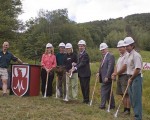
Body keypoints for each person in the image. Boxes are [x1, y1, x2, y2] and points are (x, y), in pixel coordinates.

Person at [123, 37, 143, 120]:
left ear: (132, 45)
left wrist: (131, 78)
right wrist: (129, 78)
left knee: (136, 98)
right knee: (132, 98)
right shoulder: (128, 55)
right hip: (130, 77)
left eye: (127, 46)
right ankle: (136, 114)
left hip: (136, 78)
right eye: (125, 46)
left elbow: (137, 69)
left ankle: (138, 117)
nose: (126, 48)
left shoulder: (136, 55)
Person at [111, 40, 130, 115]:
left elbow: (124, 67)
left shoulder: (127, 55)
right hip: (120, 76)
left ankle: (128, 110)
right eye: (119, 47)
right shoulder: (120, 56)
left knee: (126, 94)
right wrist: (114, 73)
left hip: (125, 76)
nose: (120, 49)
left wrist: (116, 74)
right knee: (122, 93)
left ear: (125, 47)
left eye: (121, 47)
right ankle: (125, 108)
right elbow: (116, 66)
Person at [72, 40, 91, 104]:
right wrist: (75, 64)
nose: (80, 47)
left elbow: (82, 63)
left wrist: (76, 67)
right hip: (81, 74)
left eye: (82, 46)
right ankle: (84, 99)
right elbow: (79, 63)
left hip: (86, 74)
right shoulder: (79, 54)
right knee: (82, 87)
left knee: (86, 87)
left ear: (84, 46)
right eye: (79, 46)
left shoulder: (86, 54)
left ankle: (87, 100)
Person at [97, 43, 115, 109]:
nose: (102, 51)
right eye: (101, 50)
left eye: (103, 49)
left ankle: (102, 105)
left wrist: (107, 76)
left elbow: (110, 67)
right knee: (109, 91)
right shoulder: (104, 57)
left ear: (107, 49)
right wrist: (98, 72)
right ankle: (112, 105)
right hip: (103, 77)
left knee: (103, 90)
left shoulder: (110, 56)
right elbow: (101, 66)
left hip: (107, 77)